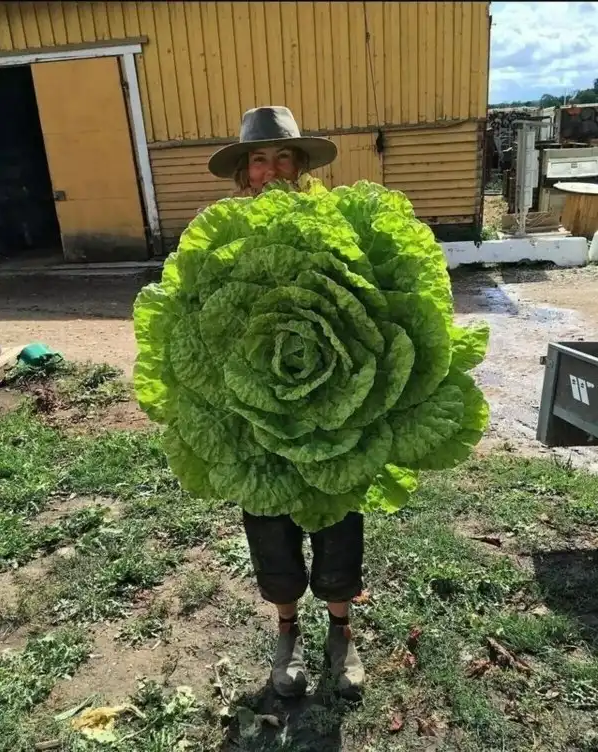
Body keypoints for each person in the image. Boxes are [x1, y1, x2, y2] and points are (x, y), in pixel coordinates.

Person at [208, 106, 365, 700]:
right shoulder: (220, 233)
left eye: (282, 158)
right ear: (244, 172)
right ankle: (287, 632)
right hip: (252, 411)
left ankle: (341, 631)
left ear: (301, 166)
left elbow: (370, 303)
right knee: (269, 528)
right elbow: (195, 322)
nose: (270, 170)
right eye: (258, 159)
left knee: (338, 521)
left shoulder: (335, 221)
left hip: (336, 402)